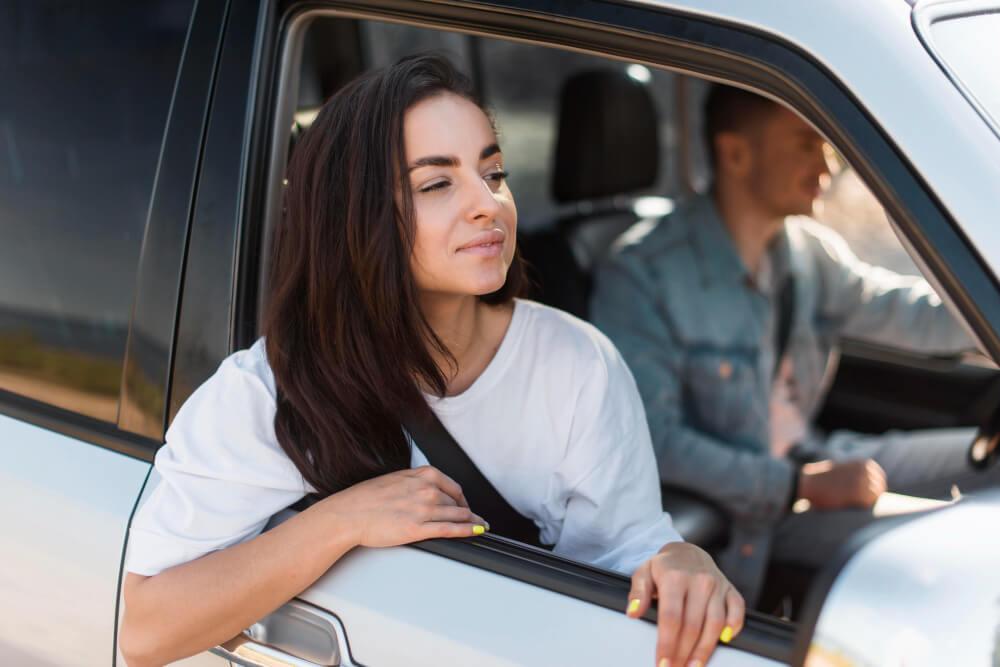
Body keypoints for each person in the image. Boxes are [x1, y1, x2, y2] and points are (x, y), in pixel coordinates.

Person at [118, 55, 744, 667]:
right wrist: (339, 521)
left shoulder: (578, 362)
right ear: (356, 217)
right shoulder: (271, 395)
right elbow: (146, 630)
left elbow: (626, 552)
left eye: (492, 174)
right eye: (437, 183)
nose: (487, 204)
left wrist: (679, 560)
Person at [590, 84, 990, 604]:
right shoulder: (641, 273)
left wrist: (968, 263)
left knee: (990, 461)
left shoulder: (808, 251)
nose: (826, 167)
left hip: (820, 457)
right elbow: (655, 443)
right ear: (735, 153)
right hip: (757, 515)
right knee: (952, 545)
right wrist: (797, 485)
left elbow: (918, 317)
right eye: (806, 144)